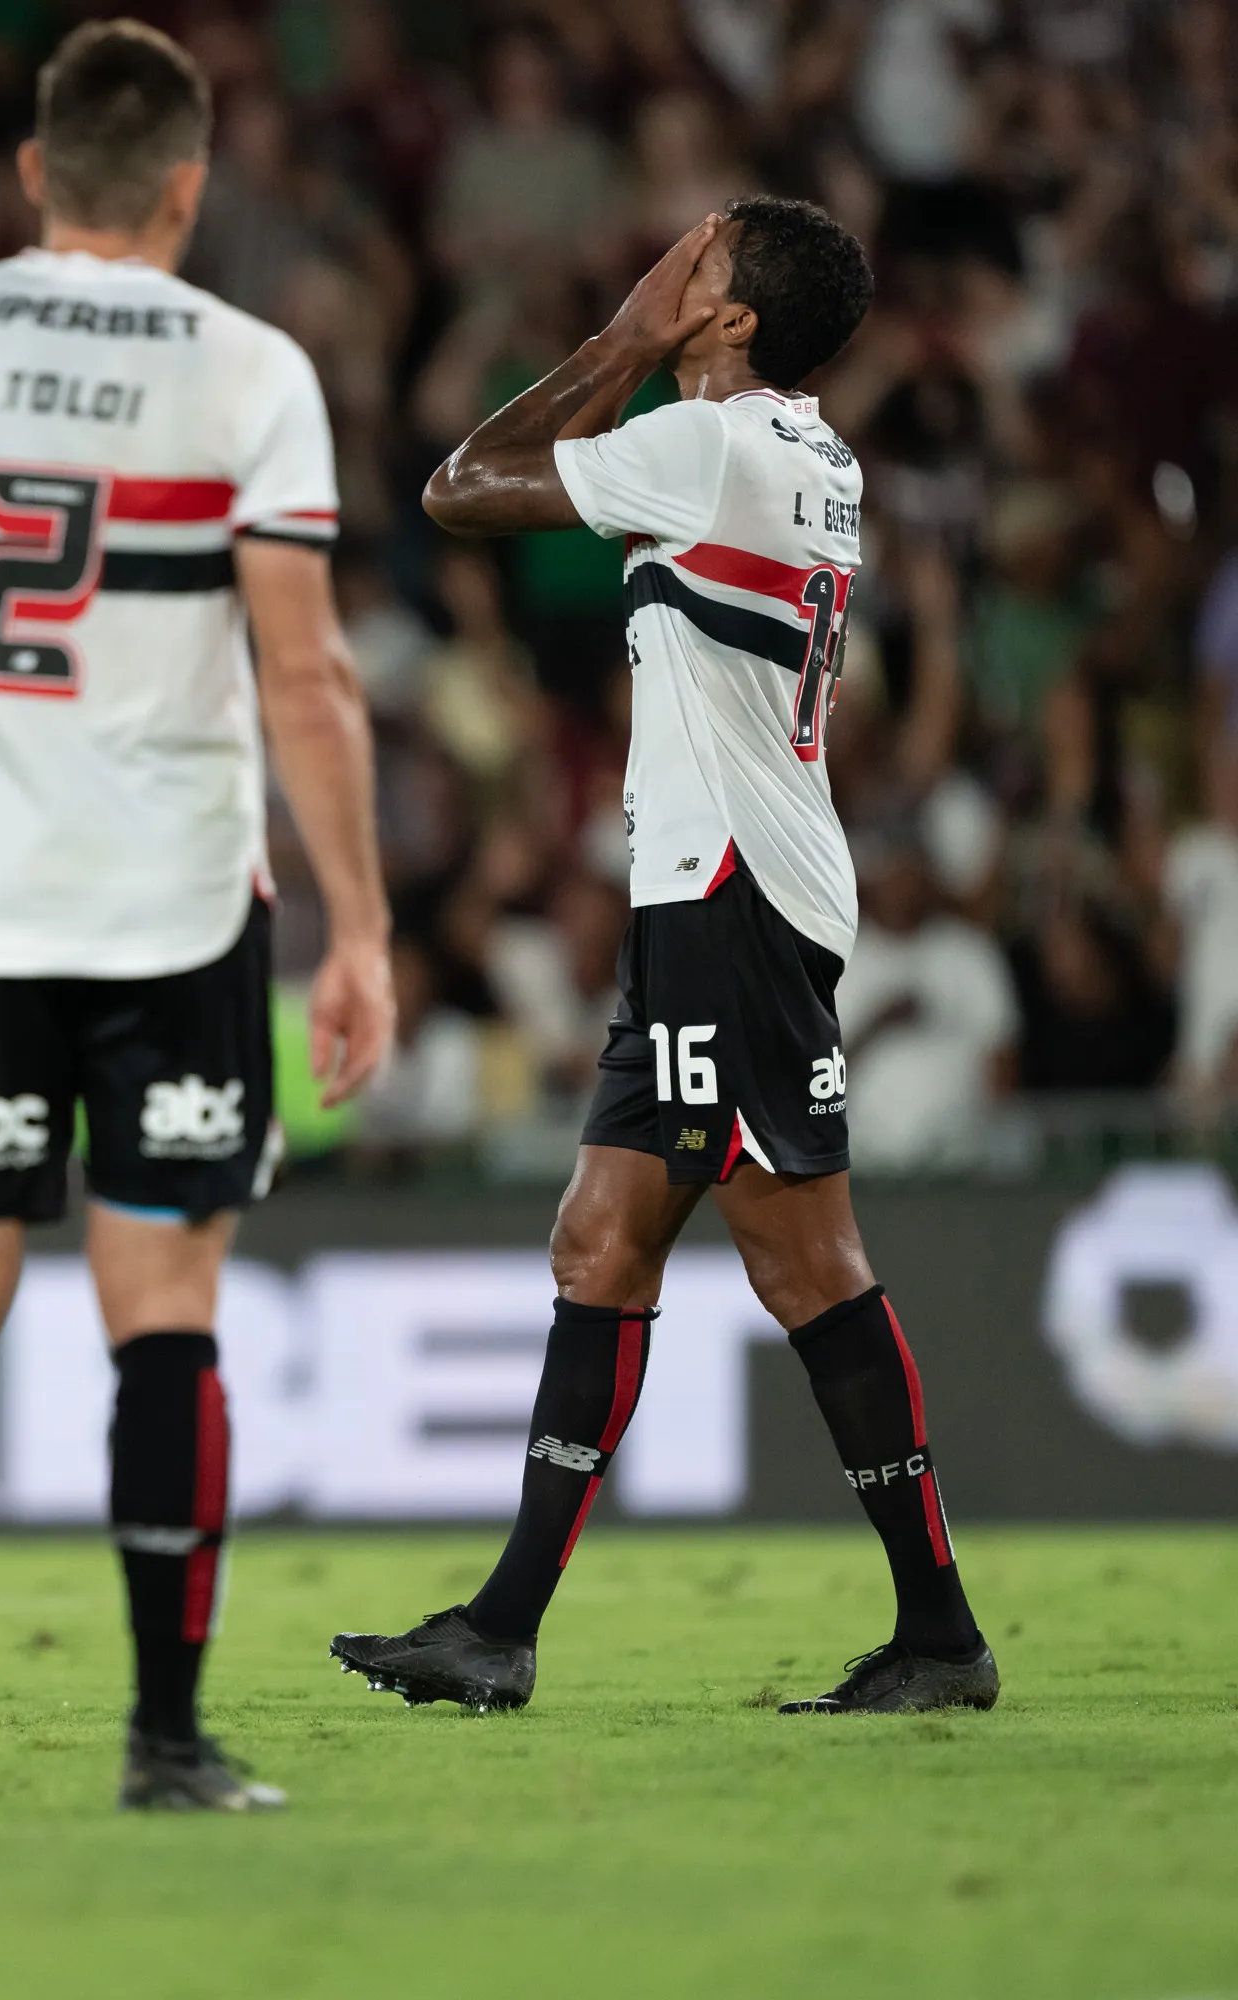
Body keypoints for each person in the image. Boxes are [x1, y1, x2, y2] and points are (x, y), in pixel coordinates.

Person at [0, 19, 395, 1820]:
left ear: (33, 173)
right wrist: (359, 924)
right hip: (174, 909)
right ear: (189, 188)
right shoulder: (249, 371)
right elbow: (312, 675)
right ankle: (167, 1738)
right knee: (165, 1311)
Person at [332, 199, 999, 1717]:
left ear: (732, 319)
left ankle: (942, 1635)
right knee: (603, 1236)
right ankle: (503, 1627)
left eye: (690, 263)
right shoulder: (802, 456)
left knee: (802, 1259)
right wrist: (651, 350)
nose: (661, 271)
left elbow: (459, 487)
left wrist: (615, 347)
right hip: (722, 889)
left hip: (734, 900)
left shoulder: (716, 448)